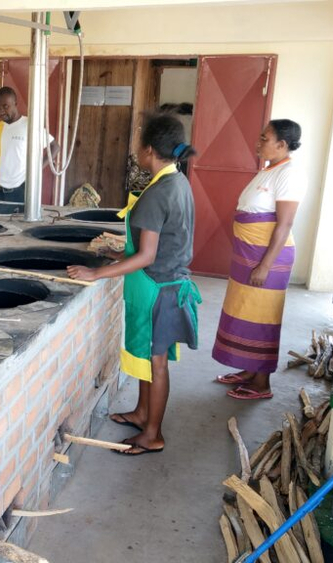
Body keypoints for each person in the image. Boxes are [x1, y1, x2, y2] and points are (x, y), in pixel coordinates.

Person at [66, 112, 200, 456]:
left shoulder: (158, 193)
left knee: (156, 362)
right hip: (165, 282)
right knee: (148, 357)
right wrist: (115, 253)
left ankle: (152, 434)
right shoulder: (176, 181)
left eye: (140, 142)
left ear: (149, 151)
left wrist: (95, 273)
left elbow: (146, 256)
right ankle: (143, 413)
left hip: (157, 288)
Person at [213, 119, 305, 400]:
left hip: (267, 259)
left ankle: (261, 383)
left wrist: (265, 265)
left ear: (282, 144)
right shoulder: (269, 170)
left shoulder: (289, 173)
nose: (258, 142)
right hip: (248, 253)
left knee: (262, 317)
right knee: (244, 312)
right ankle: (250, 369)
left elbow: (285, 224)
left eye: (264, 138)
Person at [0, 87, 59, 203]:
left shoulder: (30, 125)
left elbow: (54, 147)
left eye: (5, 106)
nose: (1, 111)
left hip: (21, 189)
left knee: (19, 221)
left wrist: (37, 169)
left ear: (15, 103)